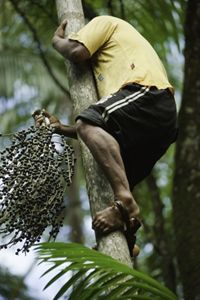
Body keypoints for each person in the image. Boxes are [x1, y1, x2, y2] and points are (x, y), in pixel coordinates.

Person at [34, 16, 178, 249]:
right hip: (154, 122)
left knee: (88, 124)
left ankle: (125, 203)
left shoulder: (105, 22)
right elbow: (104, 129)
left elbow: (76, 52)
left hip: (147, 94)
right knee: (115, 175)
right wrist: (62, 129)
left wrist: (56, 41)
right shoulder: (107, 67)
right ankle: (128, 237)